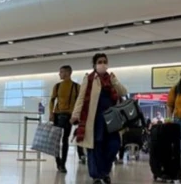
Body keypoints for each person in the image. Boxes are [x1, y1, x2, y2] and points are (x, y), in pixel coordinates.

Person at [71, 53, 128, 184]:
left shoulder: (112, 78)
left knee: (114, 146)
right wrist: (75, 114)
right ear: (95, 64)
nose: (103, 64)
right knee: (96, 147)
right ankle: (97, 175)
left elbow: (123, 92)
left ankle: (104, 171)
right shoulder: (90, 79)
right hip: (95, 119)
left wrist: (115, 81)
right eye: (100, 62)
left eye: (105, 61)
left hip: (112, 120)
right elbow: (81, 97)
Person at [48, 65, 80, 173]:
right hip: (57, 115)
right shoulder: (57, 86)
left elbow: (80, 103)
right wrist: (51, 112)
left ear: (67, 73)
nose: (59, 74)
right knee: (57, 140)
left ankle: (63, 163)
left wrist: (76, 115)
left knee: (65, 139)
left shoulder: (76, 87)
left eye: (61, 72)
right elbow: (52, 100)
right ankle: (58, 162)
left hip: (68, 116)